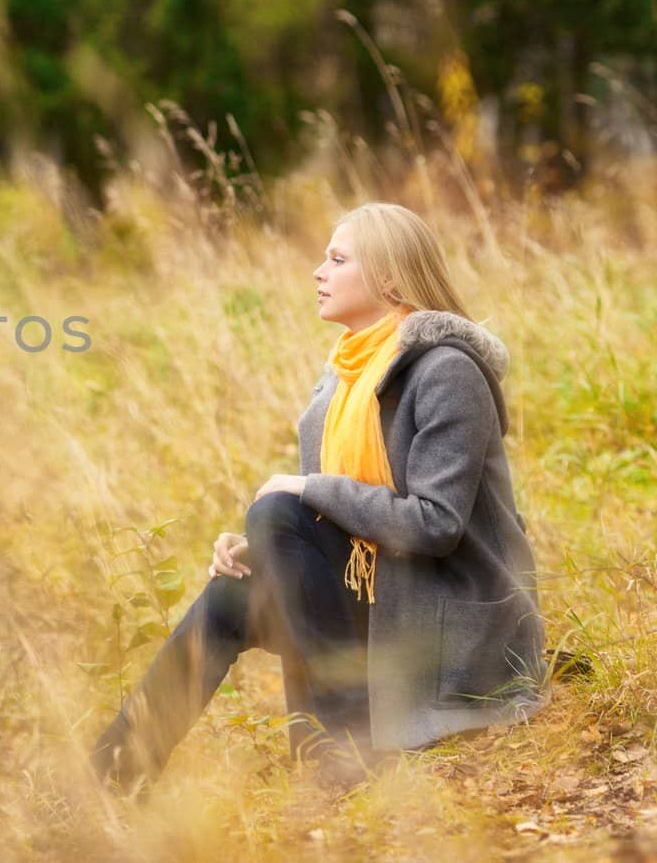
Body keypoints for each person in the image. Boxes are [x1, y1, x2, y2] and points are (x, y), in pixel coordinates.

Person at [91, 202, 549, 791]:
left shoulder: (446, 372)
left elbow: (434, 526)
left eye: (337, 259)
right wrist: (262, 547)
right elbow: (330, 524)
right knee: (233, 592)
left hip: (448, 623)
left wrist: (304, 492)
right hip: (379, 600)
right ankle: (116, 774)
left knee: (279, 506)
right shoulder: (341, 378)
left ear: (387, 277)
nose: (317, 272)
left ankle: (349, 750)